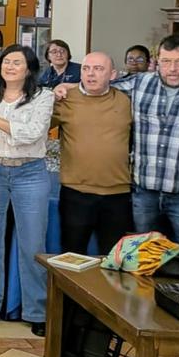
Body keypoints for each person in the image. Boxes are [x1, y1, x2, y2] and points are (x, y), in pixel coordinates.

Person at [58, 34, 179, 253]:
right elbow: (98, 84)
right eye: (166, 61)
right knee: (141, 259)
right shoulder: (140, 84)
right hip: (145, 192)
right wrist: (65, 86)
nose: (173, 68)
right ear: (156, 62)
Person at [0, 45, 54, 335]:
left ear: (29, 68)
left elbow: (30, 134)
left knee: (33, 244)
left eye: (17, 62)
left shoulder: (44, 96)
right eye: (6, 61)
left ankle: (37, 310)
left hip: (30, 173)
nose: (10, 66)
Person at [50, 51, 133, 256]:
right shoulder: (65, 99)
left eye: (98, 69)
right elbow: (37, 126)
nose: (91, 74)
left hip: (117, 194)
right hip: (76, 193)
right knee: (71, 257)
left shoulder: (127, 101)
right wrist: (53, 95)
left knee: (114, 260)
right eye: (86, 68)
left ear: (113, 74)